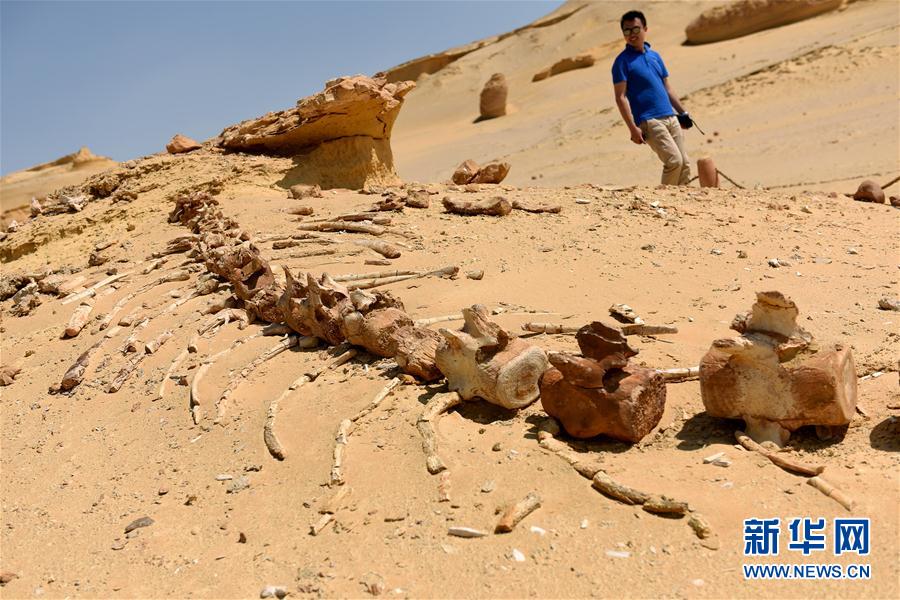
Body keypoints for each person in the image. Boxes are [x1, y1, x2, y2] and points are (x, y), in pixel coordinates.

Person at [612, 10, 693, 186]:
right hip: (649, 120)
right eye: (626, 31)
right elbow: (620, 97)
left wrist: (683, 112)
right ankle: (665, 202)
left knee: (685, 164)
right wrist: (633, 128)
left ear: (645, 29)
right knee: (674, 162)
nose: (631, 35)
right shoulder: (622, 62)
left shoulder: (655, 56)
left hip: (670, 116)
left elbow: (667, 88)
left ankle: (684, 206)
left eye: (635, 29)